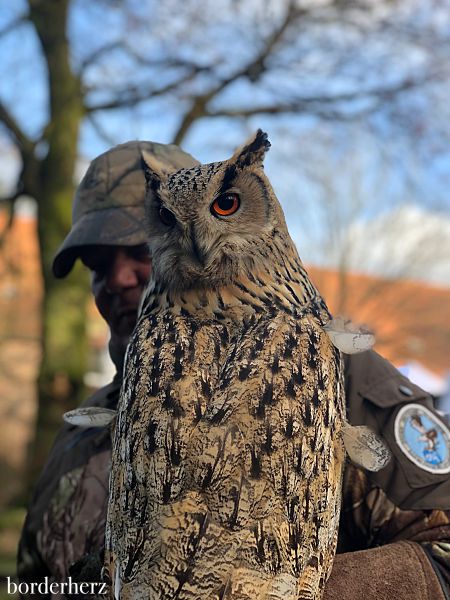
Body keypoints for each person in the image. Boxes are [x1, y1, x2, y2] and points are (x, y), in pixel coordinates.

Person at [17, 141, 450, 600]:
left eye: (137, 252)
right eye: (97, 266)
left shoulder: (334, 370)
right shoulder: (78, 436)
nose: (119, 280)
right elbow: (34, 582)